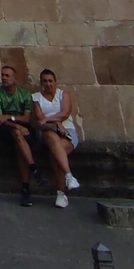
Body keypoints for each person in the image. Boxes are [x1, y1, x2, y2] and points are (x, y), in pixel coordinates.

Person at [30, 68, 81, 208]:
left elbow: (65, 113)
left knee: (55, 154)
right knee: (51, 138)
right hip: (48, 132)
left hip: (67, 131)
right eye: (45, 81)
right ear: (41, 83)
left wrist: (52, 120)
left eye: (50, 81)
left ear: (55, 81)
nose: (48, 84)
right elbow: (39, 120)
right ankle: (69, 175)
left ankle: (60, 193)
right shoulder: (36, 98)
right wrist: (56, 123)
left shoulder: (63, 95)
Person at [0, 64, 37, 206]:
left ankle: (25, 188)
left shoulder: (24, 94)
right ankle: (33, 168)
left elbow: (26, 118)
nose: (4, 78)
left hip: (21, 128)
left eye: (7, 75)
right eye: (2, 75)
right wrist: (16, 124)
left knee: (20, 145)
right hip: (7, 129)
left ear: (14, 78)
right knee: (18, 134)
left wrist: (9, 117)